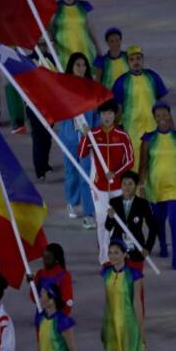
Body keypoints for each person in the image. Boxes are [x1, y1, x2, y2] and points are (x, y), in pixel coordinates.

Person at [139, 102, 176, 270]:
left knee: (174, 220)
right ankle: (163, 245)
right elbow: (143, 164)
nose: (162, 118)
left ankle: (175, 258)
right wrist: (141, 184)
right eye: (158, 116)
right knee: (159, 220)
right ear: (154, 118)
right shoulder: (148, 138)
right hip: (156, 184)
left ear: (169, 115)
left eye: (165, 115)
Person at [78, 99, 134, 264]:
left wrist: (116, 173)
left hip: (118, 187)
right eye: (104, 113)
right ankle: (104, 258)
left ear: (115, 114)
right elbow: (81, 154)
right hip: (99, 187)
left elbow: (130, 160)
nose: (107, 116)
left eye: (110, 113)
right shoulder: (94, 135)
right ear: (100, 115)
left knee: (119, 220)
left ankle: (122, 253)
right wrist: (85, 136)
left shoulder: (123, 136)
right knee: (102, 221)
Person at [101, 240, 148, 351]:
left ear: (124, 254)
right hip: (111, 323)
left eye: (116, 252)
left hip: (128, 324)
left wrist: (141, 329)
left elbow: (137, 302)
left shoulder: (134, 275)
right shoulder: (105, 273)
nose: (112, 256)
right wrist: (104, 326)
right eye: (110, 252)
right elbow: (107, 301)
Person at [112, 45, 169, 170]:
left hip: (154, 129)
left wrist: (169, 128)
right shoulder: (120, 82)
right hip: (132, 133)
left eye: (138, 58)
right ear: (127, 62)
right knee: (135, 165)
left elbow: (164, 106)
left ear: (143, 60)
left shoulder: (153, 77)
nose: (135, 62)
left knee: (156, 164)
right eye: (132, 60)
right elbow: (118, 110)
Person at [57, 52, 97, 228]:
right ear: (71, 68)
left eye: (83, 65)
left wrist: (95, 132)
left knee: (86, 175)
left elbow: (96, 113)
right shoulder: (64, 88)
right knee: (71, 172)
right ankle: (73, 201)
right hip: (69, 138)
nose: (81, 68)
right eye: (77, 65)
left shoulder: (91, 88)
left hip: (87, 139)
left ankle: (89, 213)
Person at [105, 170, 156, 270]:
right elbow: (108, 226)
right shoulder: (114, 202)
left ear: (136, 186)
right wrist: (110, 218)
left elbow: (153, 228)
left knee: (136, 279)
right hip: (117, 249)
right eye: (124, 184)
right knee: (119, 281)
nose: (126, 187)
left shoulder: (143, 204)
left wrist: (148, 248)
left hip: (137, 248)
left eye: (130, 184)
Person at [51, 0, 101, 69]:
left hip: (84, 48)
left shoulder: (84, 6)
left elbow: (90, 28)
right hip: (64, 50)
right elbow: (50, 29)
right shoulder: (55, 8)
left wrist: (98, 47)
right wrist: (52, 45)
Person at [26, 37, 56, 181]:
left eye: (46, 44)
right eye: (41, 44)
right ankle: (40, 170)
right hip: (34, 105)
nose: (44, 47)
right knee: (38, 137)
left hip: (50, 105)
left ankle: (44, 163)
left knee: (47, 136)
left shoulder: (51, 58)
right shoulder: (27, 61)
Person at [30, 243, 74, 317]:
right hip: (41, 317)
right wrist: (33, 284)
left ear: (56, 259)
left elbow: (67, 301)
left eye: (48, 258)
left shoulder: (64, 276)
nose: (45, 261)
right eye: (44, 257)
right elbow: (33, 298)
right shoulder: (40, 274)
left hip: (57, 318)